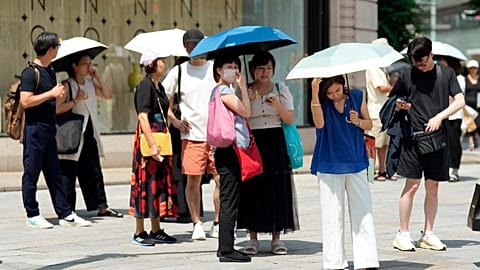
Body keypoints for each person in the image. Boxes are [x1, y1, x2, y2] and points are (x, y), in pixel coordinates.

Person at [387, 37, 464, 251]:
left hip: (437, 138)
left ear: (431, 55)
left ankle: (428, 233)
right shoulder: (406, 74)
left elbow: (460, 101)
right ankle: (402, 234)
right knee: (411, 185)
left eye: (422, 62)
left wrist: (440, 116)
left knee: (433, 187)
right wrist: (400, 105)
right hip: (412, 138)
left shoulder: (446, 74)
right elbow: (393, 100)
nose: (419, 67)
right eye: (415, 63)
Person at [19, 31, 91, 228]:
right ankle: (32, 214)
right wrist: (50, 93)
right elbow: (25, 101)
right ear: (50, 49)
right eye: (57, 47)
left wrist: (57, 96)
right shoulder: (30, 73)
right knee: (31, 173)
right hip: (34, 130)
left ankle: (65, 213)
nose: (58, 51)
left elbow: (47, 98)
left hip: (50, 129)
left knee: (54, 174)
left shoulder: (50, 70)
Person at [310, 75, 379, 270]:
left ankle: (366, 260)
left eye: (337, 91)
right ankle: (334, 263)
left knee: (363, 211)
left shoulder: (357, 96)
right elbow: (319, 124)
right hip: (328, 162)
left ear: (343, 85)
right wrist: (315, 93)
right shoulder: (321, 102)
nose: (334, 95)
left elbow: (369, 124)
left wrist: (358, 121)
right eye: (329, 93)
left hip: (356, 160)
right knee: (332, 214)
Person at [237, 51, 299, 256]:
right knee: (252, 189)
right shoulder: (244, 90)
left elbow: (289, 118)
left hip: (275, 141)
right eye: (261, 68)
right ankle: (252, 237)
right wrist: (247, 96)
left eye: (269, 68)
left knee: (277, 189)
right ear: (253, 70)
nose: (265, 72)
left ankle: (276, 238)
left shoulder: (282, 89)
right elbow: (239, 117)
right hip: (253, 141)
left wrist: (277, 104)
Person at [163, 29, 220, 240]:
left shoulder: (215, 69)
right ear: (185, 48)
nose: (193, 49)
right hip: (191, 136)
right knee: (192, 180)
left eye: (197, 45)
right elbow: (161, 101)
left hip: (217, 135)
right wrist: (175, 121)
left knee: (221, 180)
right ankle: (197, 222)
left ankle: (217, 221)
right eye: (189, 46)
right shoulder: (177, 71)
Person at [56, 52, 123, 217]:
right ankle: (67, 209)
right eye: (85, 63)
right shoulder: (66, 85)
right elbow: (56, 109)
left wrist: (97, 76)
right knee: (69, 172)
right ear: (75, 66)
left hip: (89, 133)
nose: (89, 66)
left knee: (94, 170)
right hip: (72, 133)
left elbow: (108, 95)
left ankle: (102, 205)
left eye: (90, 63)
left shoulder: (90, 84)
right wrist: (75, 101)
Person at [129, 50, 177, 246]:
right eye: (161, 61)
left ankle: (156, 229)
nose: (164, 64)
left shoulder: (159, 87)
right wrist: (151, 144)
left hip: (160, 139)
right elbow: (142, 116)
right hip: (149, 141)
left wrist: (177, 123)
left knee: (157, 184)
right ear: (152, 64)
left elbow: (165, 111)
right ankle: (139, 231)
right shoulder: (145, 86)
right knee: (144, 183)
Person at [211, 51, 251, 263]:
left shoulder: (216, 91)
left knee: (229, 197)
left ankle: (224, 247)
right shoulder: (224, 90)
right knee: (229, 200)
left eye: (236, 66)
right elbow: (246, 111)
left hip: (224, 149)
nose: (234, 70)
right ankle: (226, 250)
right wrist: (243, 86)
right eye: (229, 66)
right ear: (218, 69)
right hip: (229, 150)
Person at [365, 38, 396, 181]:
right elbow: (381, 88)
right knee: (373, 144)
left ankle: (382, 171)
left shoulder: (381, 68)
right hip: (376, 111)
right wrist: (395, 87)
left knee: (383, 144)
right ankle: (370, 172)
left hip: (383, 111)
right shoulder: (373, 67)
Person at [436, 55, 465, 182]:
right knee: (445, 143)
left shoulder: (460, 79)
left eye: (442, 60)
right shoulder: (442, 77)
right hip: (444, 115)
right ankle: (447, 167)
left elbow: (457, 96)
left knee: (454, 143)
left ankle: (455, 169)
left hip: (455, 115)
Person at [464, 59, 480, 150]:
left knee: (477, 124)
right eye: (471, 68)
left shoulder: (479, 79)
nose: (473, 70)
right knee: (469, 123)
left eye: (474, 68)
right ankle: (471, 143)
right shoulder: (465, 79)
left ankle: (476, 137)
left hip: (477, 106)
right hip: (468, 106)